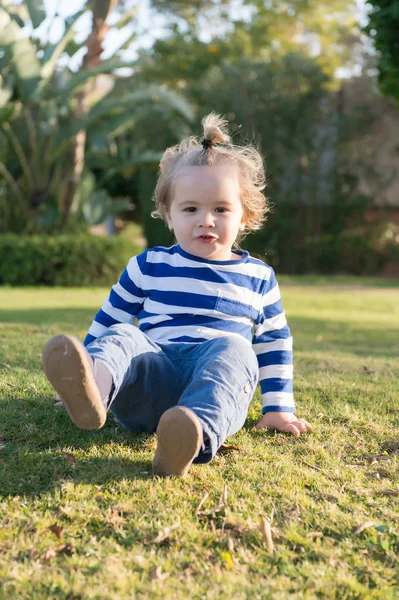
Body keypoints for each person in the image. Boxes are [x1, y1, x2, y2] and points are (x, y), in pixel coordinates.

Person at [42, 112, 312, 478]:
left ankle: (189, 437)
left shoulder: (258, 277)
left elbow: (274, 344)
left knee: (236, 349)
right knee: (125, 336)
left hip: (214, 385)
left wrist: (278, 408)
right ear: (168, 214)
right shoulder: (148, 264)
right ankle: (94, 390)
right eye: (190, 209)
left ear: (245, 216)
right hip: (152, 379)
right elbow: (110, 320)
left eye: (221, 209)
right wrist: (89, 364)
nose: (206, 220)